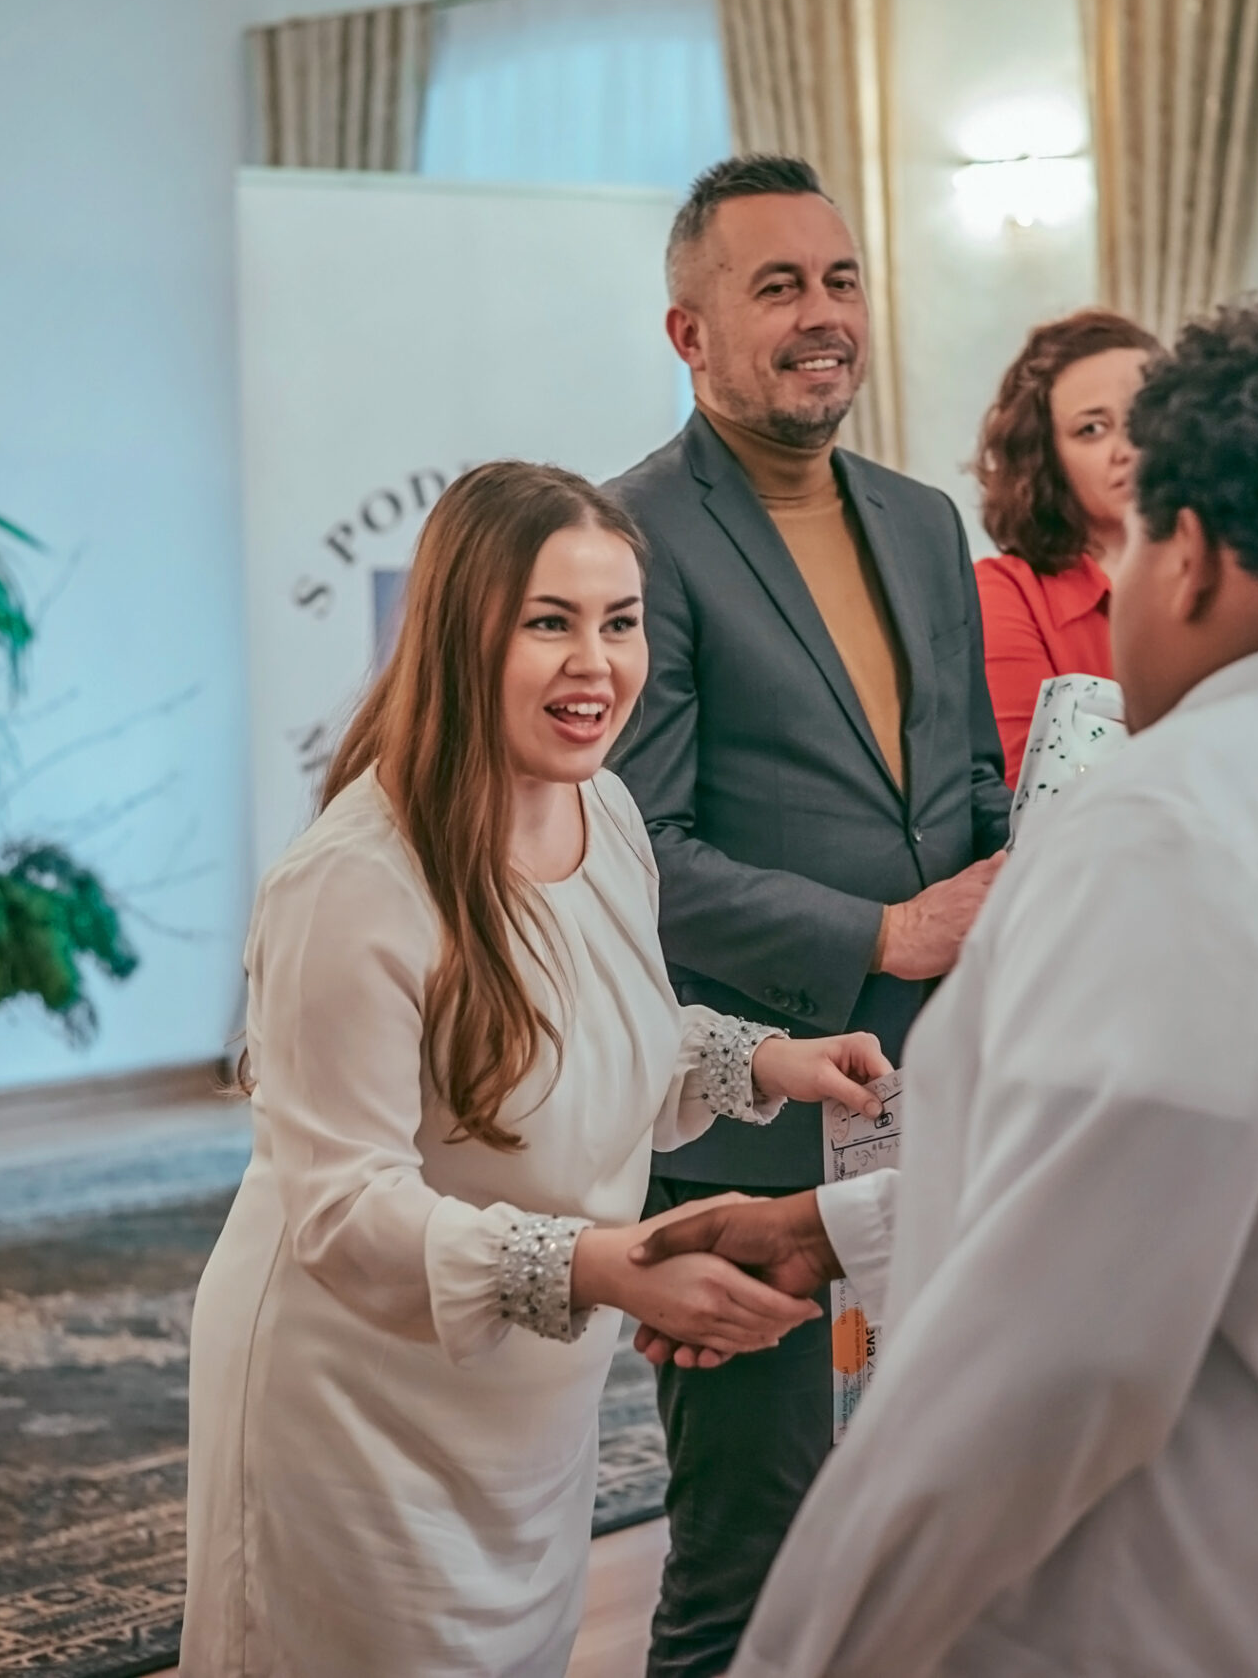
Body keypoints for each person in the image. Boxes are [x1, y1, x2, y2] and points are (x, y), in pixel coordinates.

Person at [633, 287, 1258, 1676]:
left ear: (1185, 553)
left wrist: (808, 1653)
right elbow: (1217, 1175)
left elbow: (1037, 1368)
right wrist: (828, 1226)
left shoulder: (1181, 821)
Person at [180, 461, 889, 1677]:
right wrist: (599, 1263)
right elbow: (343, 1207)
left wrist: (767, 1057)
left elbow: (594, 1034)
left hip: (523, 1410)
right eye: (549, 623)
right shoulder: (349, 882)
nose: (596, 664)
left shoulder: (604, 811)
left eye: (620, 623)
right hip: (352, 1409)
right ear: (461, 633)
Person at [605, 154, 1014, 1677]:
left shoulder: (921, 521)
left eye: (840, 280)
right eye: (777, 286)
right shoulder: (629, 535)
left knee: (938, 1535)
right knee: (747, 1559)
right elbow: (639, 850)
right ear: (689, 331)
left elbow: (966, 787)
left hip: (942, 1102)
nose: (822, 314)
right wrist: (880, 933)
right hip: (747, 1113)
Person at [969, 308, 1159, 784]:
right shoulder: (1005, 592)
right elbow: (1030, 792)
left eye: (1145, 417)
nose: (1127, 449)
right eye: (1092, 429)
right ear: (1047, 457)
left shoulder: (1232, 566)